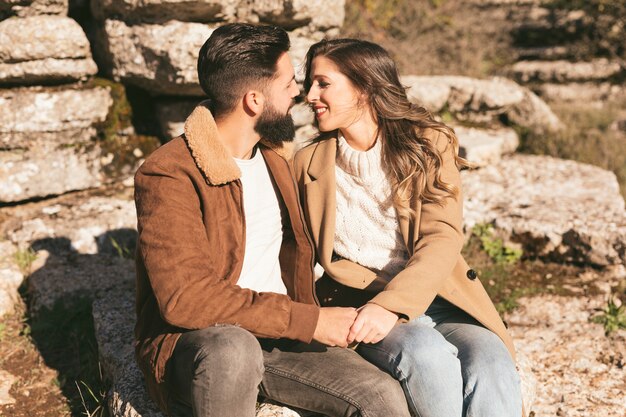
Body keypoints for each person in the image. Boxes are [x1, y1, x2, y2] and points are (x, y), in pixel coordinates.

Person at [133, 24, 412, 417]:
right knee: (234, 349)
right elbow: (186, 299)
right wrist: (310, 321)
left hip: (279, 336)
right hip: (202, 342)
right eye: (288, 84)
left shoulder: (276, 161)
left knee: (381, 398)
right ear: (253, 100)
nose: (299, 92)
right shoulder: (169, 173)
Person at [293, 38, 524, 417]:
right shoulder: (306, 164)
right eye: (309, 84)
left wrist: (394, 305)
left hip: (440, 299)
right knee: (427, 355)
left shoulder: (427, 144)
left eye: (322, 83)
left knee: (491, 361)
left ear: (364, 87)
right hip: (361, 305)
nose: (309, 95)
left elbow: (442, 236)